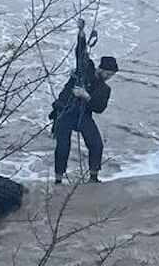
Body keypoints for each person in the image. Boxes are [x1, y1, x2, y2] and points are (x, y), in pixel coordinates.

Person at [49, 23, 118, 184]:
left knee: (96, 144)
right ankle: (58, 179)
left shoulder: (104, 89)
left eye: (111, 75)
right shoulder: (86, 68)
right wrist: (81, 32)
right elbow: (81, 52)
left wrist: (86, 96)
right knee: (63, 146)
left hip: (83, 116)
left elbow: (99, 108)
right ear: (100, 69)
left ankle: (94, 177)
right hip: (65, 111)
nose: (108, 77)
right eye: (107, 73)